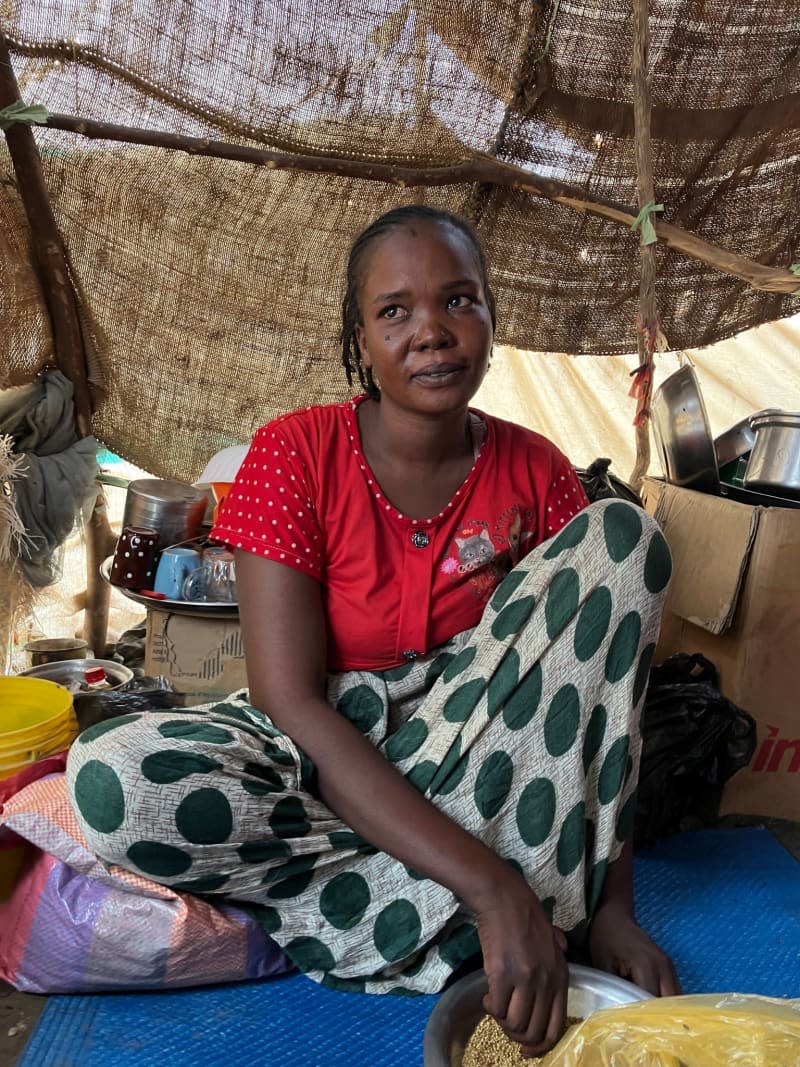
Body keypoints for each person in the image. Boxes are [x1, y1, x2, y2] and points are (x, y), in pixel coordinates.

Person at [67, 205, 680, 1056]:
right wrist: (495, 885)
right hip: (326, 743)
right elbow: (289, 699)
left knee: (626, 538)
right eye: (395, 310)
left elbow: (602, 697)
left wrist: (617, 910)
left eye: (458, 300)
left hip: (477, 746)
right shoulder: (293, 451)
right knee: (111, 777)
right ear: (360, 337)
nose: (430, 330)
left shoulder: (535, 469)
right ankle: (505, 911)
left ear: (492, 321)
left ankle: (413, 912)